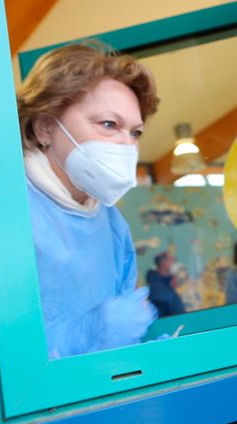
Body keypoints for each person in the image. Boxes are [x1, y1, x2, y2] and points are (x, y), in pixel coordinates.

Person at [17, 43, 160, 358]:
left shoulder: (111, 224)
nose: (126, 145)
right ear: (45, 127)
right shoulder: (5, 213)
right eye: (109, 124)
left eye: (135, 133)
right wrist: (89, 332)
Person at [146, 251, 186, 317]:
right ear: (163, 263)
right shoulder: (158, 287)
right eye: (173, 261)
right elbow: (173, 309)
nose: (175, 264)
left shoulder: (165, 284)